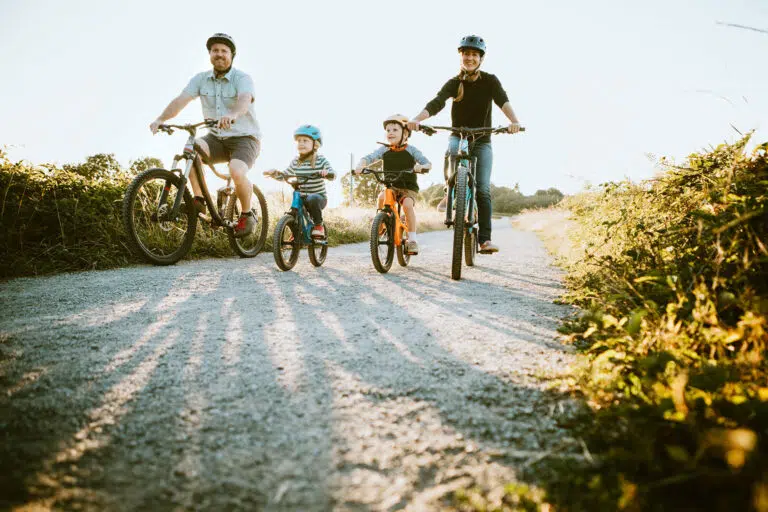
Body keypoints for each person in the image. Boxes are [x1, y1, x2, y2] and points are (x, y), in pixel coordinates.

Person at [407, 35, 521, 253]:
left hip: (482, 139)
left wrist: (513, 122)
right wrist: (417, 119)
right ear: (460, 57)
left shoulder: (490, 81)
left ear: (480, 59)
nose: (470, 58)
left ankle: (484, 240)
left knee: (483, 190)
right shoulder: (454, 82)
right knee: (451, 150)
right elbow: (437, 102)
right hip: (458, 135)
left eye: (474, 54)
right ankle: (449, 190)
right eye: (466, 54)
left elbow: (502, 100)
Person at [149, 33, 262, 237]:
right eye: (215, 50)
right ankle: (199, 201)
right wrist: (160, 119)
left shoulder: (242, 78)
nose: (219, 54)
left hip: (244, 137)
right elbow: (181, 100)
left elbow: (245, 99)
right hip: (216, 138)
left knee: (236, 171)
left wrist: (232, 114)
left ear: (232, 55)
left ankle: (247, 215)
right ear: (209, 54)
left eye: (223, 51)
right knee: (191, 151)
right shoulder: (201, 79)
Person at [354, 115, 431, 255]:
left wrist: (422, 167)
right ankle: (381, 223)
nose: (390, 132)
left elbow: (427, 162)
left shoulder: (411, 150)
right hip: (391, 186)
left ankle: (412, 240)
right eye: (388, 130)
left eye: (395, 129)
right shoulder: (384, 149)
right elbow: (369, 157)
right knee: (381, 197)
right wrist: (361, 165)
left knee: (407, 205)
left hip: (408, 187)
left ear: (405, 133)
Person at [265, 125, 335, 239]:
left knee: (312, 198)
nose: (301, 143)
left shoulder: (321, 160)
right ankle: (297, 231)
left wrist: (326, 172)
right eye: (299, 141)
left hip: (318, 198)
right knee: (296, 206)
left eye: (305, 141)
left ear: (315, 144)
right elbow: (285, 175)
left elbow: (333, 174)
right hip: (302, 197)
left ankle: (318, 226)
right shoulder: (295, 162)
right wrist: (274, 173)